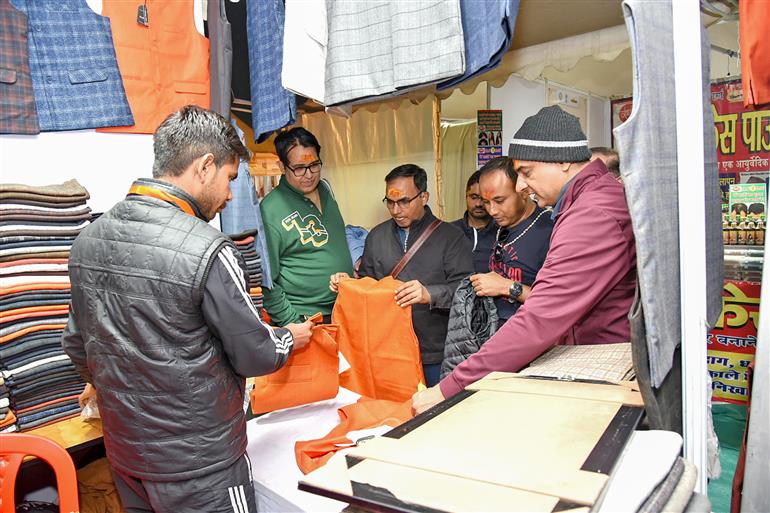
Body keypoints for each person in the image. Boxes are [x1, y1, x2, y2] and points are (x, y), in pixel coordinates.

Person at [62, 105, 314, 512]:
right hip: (200, 466)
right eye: (231, 179)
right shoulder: (207, 248)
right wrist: (288, 336)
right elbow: (256, 353)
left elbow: (78, 345)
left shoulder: (90, 238)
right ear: (205, 166)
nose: (231, 194)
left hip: (128, 457)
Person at [413, 105, 637, 413]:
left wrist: (450, 386)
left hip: (604, 360)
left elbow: (540, 317)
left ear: (562, 162)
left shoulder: (591, 213)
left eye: (526, 172)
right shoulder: (588, 201)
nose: (521, 186)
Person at [330, 164, 473, 387]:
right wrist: (347, 284)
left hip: (434, 351)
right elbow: (368, 285)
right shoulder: (376, 236)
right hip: (388, 349)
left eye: (404, 201)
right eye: (390, 202)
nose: (396, 210)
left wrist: (430, 294)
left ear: (424, 196)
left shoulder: (450, 237)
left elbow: (467, 289)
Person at [261, 127, 353, 325]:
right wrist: (293, 323)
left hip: (343, 308)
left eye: (314, 165)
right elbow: (267, 281)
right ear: (281, 166)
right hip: (307, 318)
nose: (309, 174)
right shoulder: (271, 209)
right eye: (299, 168)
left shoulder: (326, 190)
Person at [469, 157, 553, 323]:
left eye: (499, 201)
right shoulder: (500, 227)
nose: (492, 211)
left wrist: (506, 287)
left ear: (522, 191)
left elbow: (558, 302)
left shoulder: (550, 230)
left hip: (534, 336)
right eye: (486, 202)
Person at [451, 170, 497, 274]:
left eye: (484, 198)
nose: (479, 204)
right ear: (466, 197)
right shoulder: (449, 231)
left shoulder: (503, 233)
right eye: (474, 197)